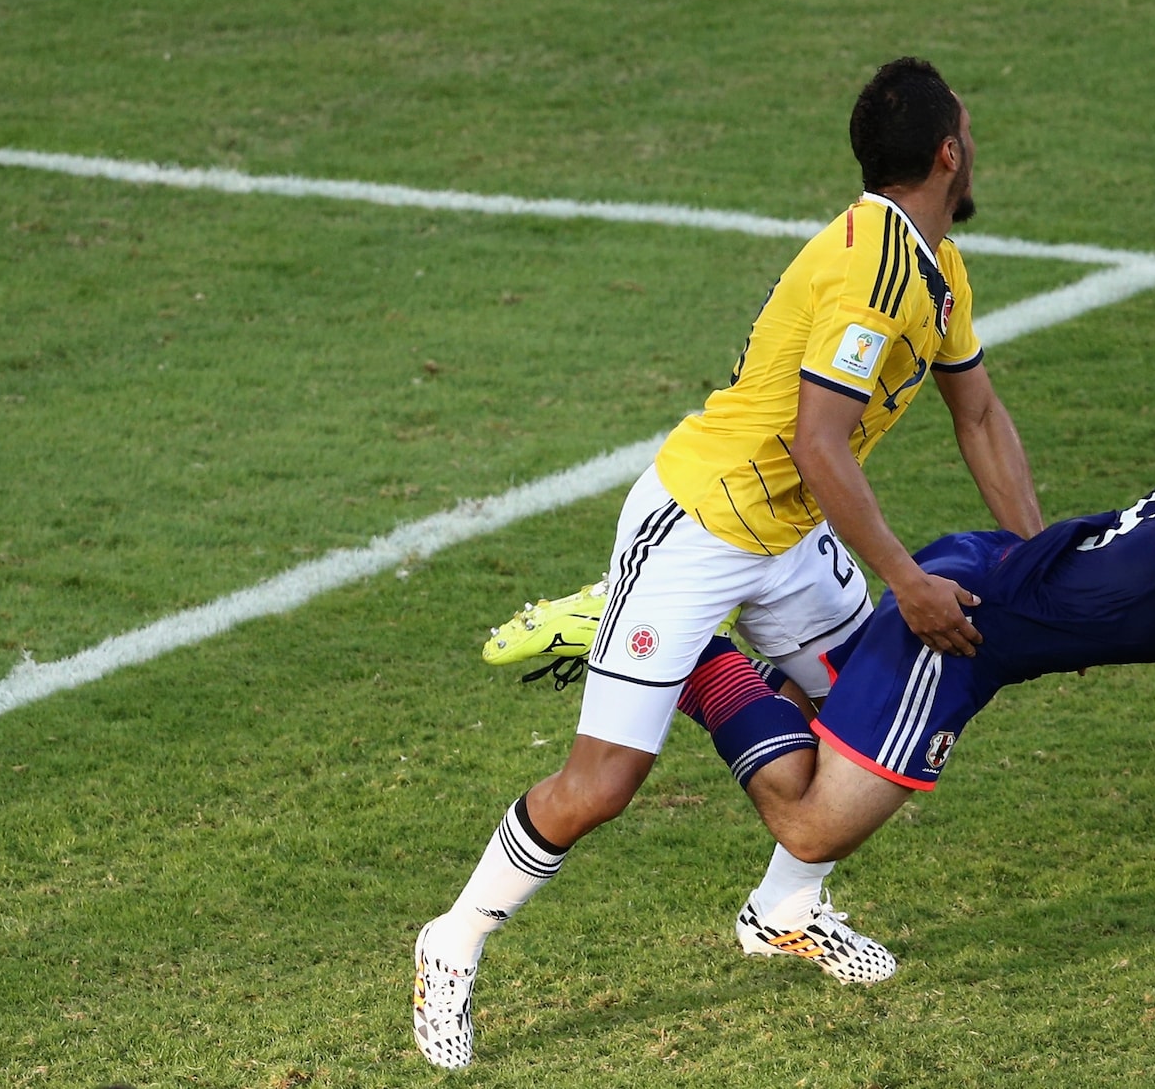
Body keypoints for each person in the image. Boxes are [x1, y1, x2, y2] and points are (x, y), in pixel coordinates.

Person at [412, 57, 1044, 1069]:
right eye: (972, 132)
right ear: (946, 152)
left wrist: (1036, 560)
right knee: (602, 783)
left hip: (787, 533)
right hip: (698, 525)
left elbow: (978, 411)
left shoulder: (936, 265)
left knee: (882, 718)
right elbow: (816, 441)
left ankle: (782, 908)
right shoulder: (873, 269)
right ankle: (449, 943)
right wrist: (905, 581)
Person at [505, 346, 1155, 981]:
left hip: (978, 571)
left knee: (828, 746)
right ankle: (692, 658)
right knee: (816, 826)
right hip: (968, 635)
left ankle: (775, 900)